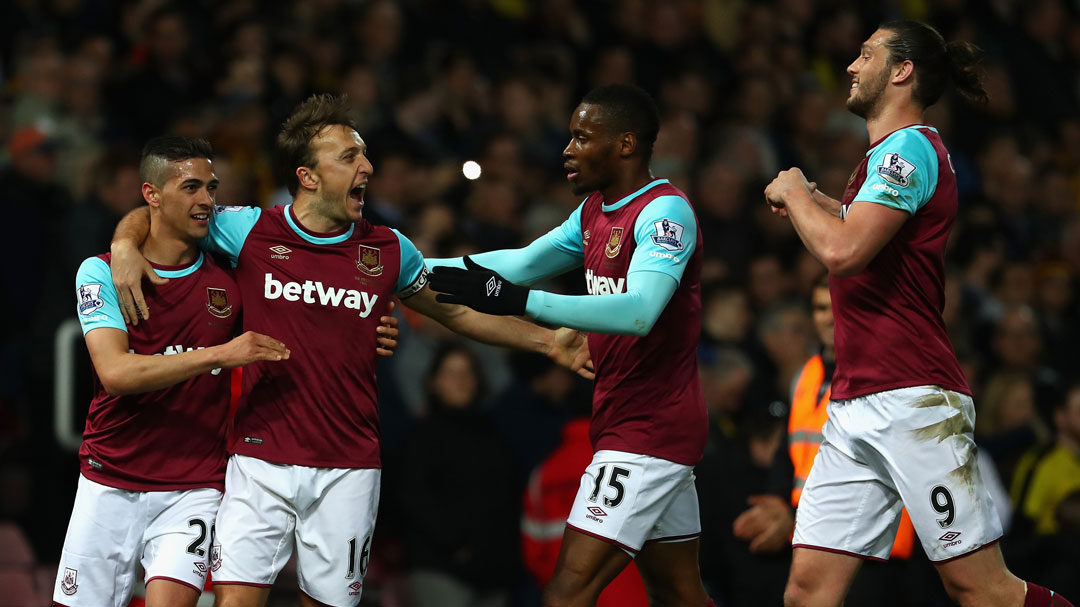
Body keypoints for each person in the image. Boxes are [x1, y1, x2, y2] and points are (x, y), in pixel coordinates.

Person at [108, 94, 590, 607]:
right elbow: (158, 210)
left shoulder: (388, 248)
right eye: (349, 157)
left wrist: (548, 342)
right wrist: (122, 246)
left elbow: (454, 311)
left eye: (363, 155)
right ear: (308, 176)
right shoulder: (248, 230)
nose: (368, 166)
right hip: (258, 458)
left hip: (349, 467)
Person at [762, 20, 1073, 607]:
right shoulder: (884, 159)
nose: (851, 67)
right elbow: (857, 228)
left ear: (901, 71)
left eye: (865, 54)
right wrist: (821, 202)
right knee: (807, 592)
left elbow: (843, 250)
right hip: (854, 403)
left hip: (913, 401)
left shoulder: (911, 148)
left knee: (981, 591)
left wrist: (798, 189)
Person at [428, 83, 711, 606]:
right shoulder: (593, 213)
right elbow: (521, 263)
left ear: (625, 144)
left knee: (565, 594)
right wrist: (407, 271)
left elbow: (639, 310)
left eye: (583, 137)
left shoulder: (664, 215)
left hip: (650, 430)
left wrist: (521, 302)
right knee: (678, 592)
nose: (567, 149)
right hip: (631, 419)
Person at [54, 136, 292, 607]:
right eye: (190, 187)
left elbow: (299, 309)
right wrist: (216, 354)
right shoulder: (100, 272)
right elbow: (117, 373)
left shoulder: (232, 277)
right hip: (109, 477)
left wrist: (371, 329)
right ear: (152, 195)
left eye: (212, 187)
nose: (207, 200)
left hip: (194, 486)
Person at [731, 275, 921, 606]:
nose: (829, 316)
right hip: (817, 534)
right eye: (820, 307)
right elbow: (789, 451)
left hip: (872, 542)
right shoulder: (809, 373)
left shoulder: (882, 373)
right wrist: (780, 503)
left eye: (839, 304)